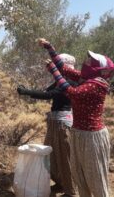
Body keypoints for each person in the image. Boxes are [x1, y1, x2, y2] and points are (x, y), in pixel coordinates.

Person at [37, 38, 114, 197]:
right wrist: (49, 47)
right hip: (79, 132)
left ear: (99, 68)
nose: (86, 61)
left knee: (95, 179)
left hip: (92, 137)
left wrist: (53, 70)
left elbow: (71, 92)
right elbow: (64, 69)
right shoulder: (86, 78)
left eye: (90, 60)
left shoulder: (98, 84)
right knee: (80, 176)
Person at [16, 54, 78, 197]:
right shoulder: (60, 81)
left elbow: (49, 95)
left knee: (64, 158)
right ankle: (60, 182)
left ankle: (71, 191)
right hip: (55, 122)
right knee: (51, 155)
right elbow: (46, 92)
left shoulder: (69, 82)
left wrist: (26, 92)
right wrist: (28, 90)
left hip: (63, 124)